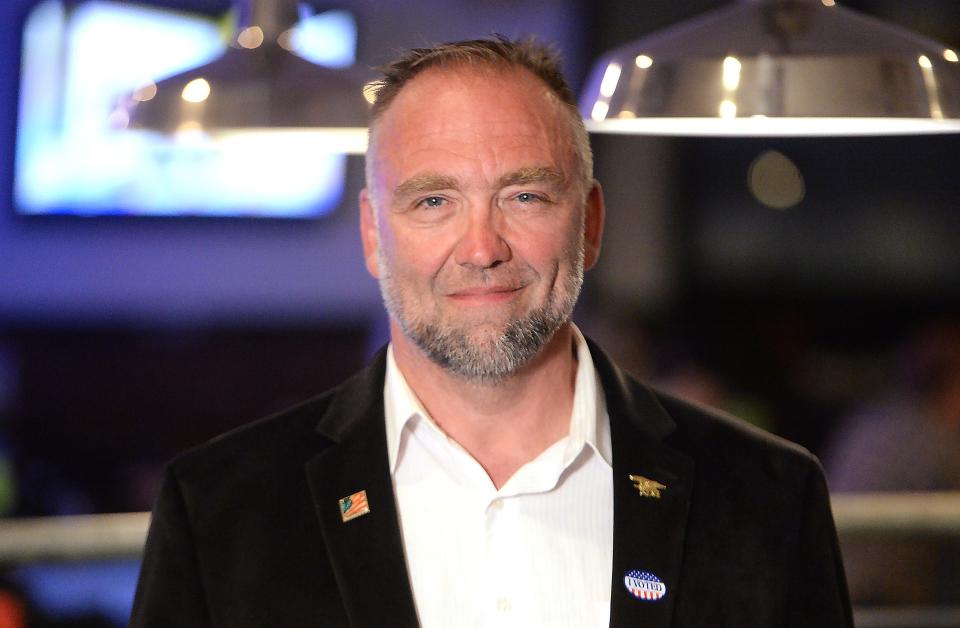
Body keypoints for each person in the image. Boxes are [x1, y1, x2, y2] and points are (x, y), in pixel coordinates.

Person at [129, 37, 851, 627]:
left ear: (590, 224)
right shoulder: (221, 508)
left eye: (525, 195)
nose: (482, 248)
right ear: (373, 236)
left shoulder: (765, 494)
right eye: (434, 200)